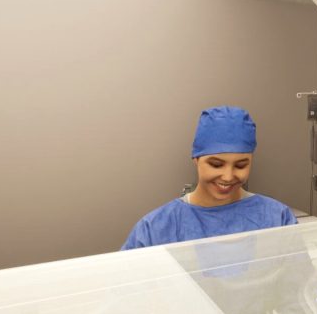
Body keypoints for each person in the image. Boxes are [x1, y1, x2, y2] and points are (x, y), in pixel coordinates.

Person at [121, 106, 297, 249]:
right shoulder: (154, 229)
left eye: (240, 165)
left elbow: (299, 278)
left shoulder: (277, 218)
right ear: (196, 159)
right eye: (216, 164)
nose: (228, 177)